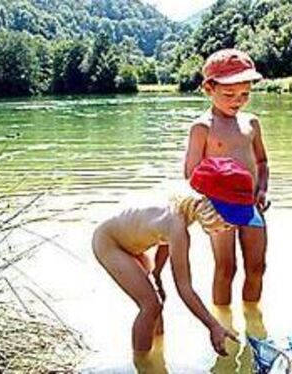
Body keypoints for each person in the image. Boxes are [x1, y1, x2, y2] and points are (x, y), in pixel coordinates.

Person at [92, 157, 264, 356]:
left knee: (156, 307)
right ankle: (143, 363)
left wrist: (156, 273)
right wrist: (213, 326)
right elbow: (185, 288)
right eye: (227, 224)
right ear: (210, 209)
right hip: (110, 243)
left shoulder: (183, 208)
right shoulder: (178, 228)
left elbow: (163, 241)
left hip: (132, 244)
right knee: (150, 305)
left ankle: (158, 356)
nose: (227, 230)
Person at [184, 48, 270, 306]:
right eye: (229, 94)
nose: (238, 100)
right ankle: (223, 325)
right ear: (209, 88)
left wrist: (262, 190)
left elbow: (262, 162)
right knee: (226, 269)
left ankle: (253, 319)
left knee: (257, 267)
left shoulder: (251, 124)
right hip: (218, 207)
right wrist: (207, 206)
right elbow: (191, 174)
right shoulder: (202, 127)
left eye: (245, 94)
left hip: (252, 205)